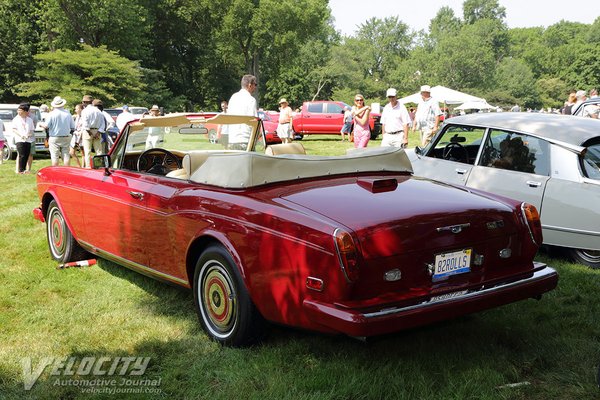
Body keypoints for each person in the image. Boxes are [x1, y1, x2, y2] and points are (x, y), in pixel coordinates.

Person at [227, 74, 258, 150]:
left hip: (232, 140)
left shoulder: (233, 98)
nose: (255, 87)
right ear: (250, 85)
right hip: (245, 140)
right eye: (255, 84)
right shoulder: (251, 100)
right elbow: (254, 121)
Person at [41, 96, 74, 166]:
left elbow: (46, 126)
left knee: (54, 156)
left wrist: (41, 125)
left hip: (54, 137)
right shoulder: (68, 113)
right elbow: (72, 127)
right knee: (66, 155)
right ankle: (66, 171)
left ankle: (55, 172)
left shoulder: (51, 114)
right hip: (66, 136)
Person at [80, 95, 104, 168]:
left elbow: (85, 124)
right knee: (99, 151)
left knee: (87, 151)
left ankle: (88, 166)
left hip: (88, 132)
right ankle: (100, 166)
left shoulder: (85, 111)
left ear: (85, 102)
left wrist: (90, 133)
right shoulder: (98, 111)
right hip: (97, 130)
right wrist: (98, 132)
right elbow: (102, 123)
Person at [12, 103, 35, 174]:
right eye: (18, 110)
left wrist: (28, 135)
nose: (18, 111)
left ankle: (24, 169)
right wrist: (21, 135)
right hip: (19, 139)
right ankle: (20, 170)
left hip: (28, 140)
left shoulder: (29, 120)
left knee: (26, 154)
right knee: (21, 154)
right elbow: (14, 129)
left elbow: (32, 130)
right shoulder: (16, 119)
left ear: (25, 111)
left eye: (20, 110)